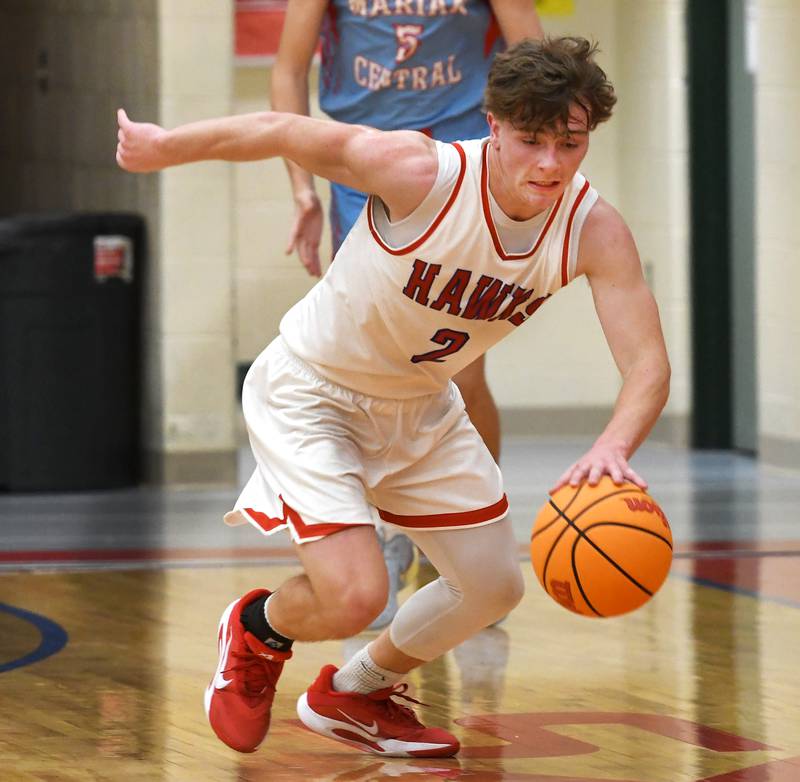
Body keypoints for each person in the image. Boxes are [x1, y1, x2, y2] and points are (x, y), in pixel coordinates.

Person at [116, 37, 670, 758]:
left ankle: (357, 692)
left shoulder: (593, 229)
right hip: (312, 391)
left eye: (570, 143)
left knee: (494, 587)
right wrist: (165, 146)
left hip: (419, 404)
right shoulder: (420, 172)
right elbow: (285, 131)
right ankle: (258, 628)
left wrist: (612, 446)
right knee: (356, 595)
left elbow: (649, 365)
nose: (550, 164)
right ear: (494, 126)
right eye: (532, 141)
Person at [272, 0, 545, 626]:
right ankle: (387, 538)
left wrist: (532, 168)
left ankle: (475, 552)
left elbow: (536, 56)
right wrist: (300, 187)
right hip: (360, 162)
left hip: (461, 156)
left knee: (462, 371)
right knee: (367, 366)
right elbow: (288, 71)